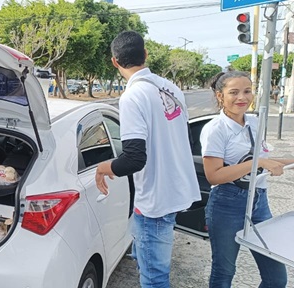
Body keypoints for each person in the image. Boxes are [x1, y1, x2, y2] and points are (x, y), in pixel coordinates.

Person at [94, 31, 201, 287]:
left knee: (154, 279)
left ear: (114, 62)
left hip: (154, 203)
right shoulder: (171, 88)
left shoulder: (132, 96)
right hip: (174, 193)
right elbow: (178, 137)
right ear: (145, 55)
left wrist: (103, 167)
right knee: (152, 268)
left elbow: (133, 159)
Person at [201, 71, 291, 288]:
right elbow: (214, 175)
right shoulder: (216, 129)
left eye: (247, 91)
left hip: (259, 203)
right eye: (234, 92)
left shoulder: (254, 122)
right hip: (227, 204)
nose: (242, 97)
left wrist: (286, 160)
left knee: (276, 277)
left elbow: (264, 159)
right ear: (220, 95)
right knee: (224, 271)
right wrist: (258, 163)